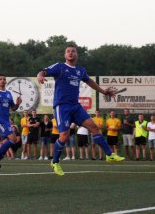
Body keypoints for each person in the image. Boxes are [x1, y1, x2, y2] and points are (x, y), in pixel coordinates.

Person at [37, 44, 124, 176]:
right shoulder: (60, 67)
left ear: (77, 55)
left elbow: (89, 82)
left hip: (75, 106)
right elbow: (42, 71)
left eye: (73, 51)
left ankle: (109, 155)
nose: (71, 53)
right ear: (65, 55)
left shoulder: (80, 70)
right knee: (64, 136)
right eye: (68, 51)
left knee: (94, 127)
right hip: (62, 106)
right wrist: (40, 76)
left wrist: (103, 91)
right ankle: (55, 162)